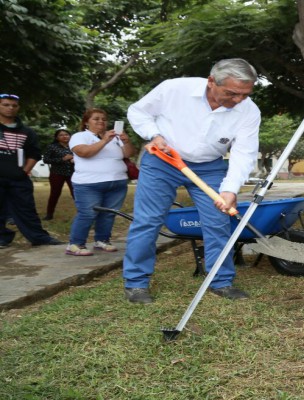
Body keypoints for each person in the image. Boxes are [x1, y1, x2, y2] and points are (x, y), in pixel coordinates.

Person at [123, 58, 261, 303]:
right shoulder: (174, 89)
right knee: (148, 221)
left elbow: (244, 153)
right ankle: (136, 283)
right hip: (163, 161)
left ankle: (221, 281)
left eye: (244, 94)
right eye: (231, 93)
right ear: (211, 82)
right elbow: (138, 111)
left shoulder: (249, 111)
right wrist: (154, 135)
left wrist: (230, 189)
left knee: (217, 221)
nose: (238, 100)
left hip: (210, 166)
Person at [66, 109, 135, 256]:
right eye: (96, 119)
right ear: (86, 122)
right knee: (87, 214)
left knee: (108, 214)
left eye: (104, 119)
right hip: (88, 184)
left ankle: (102, 240)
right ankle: (75, 244)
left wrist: (126, 141)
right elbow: (84, 153)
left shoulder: (114, 137)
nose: (101, 121)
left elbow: (128, 153)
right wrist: (104, 141)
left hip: (117, 182)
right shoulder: (79, 136)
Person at [0, 93, 65, 248]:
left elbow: (34, 154)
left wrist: (24, 171)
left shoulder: (27, 132)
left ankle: (39, 238)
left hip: (18, 178)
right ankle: (2, 237)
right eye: (6, 105)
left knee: (27, 209)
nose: (10, 108)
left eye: (14, 105)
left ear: (18, 108)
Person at [41, 129, 75, 220]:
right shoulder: (52, 147)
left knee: (76, 193)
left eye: (66, 134)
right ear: (57, 137)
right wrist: (62, 159)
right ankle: (49, 214)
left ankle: (83, 214)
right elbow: (46, 160)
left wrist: (74, 159)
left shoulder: (74, 146)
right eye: (61, 135)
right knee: (55, 194)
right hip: (57, 173)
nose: (64, 136)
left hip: (72, 173)